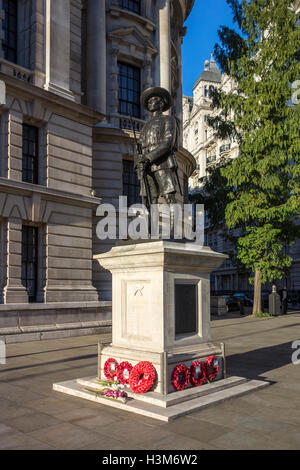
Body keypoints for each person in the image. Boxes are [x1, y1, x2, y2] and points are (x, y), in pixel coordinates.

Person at [134, 87, 180, 207]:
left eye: (153, 100)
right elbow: (138, 146)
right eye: (148, 101)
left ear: (161, 103)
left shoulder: (169, 119)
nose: (150, 102)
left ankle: (173, 226)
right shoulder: (145, 126)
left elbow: (168, 142)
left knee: (169, 197)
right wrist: (138, 163)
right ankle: (150, 226)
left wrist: (148, 157)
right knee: (149, 201)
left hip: (162, 163)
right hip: (146, 166)